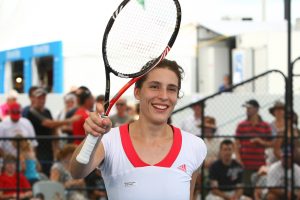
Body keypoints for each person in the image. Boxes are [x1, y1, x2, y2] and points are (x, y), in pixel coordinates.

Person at [70, 59, 207, 200]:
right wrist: (93, 136)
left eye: (172, 89)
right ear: (137, 92)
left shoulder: (194, 146)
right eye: (154, 86)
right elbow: (77, 172)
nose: (164, 96)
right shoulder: (109, 140)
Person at [234, 99, 272, 197]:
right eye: (246, 108)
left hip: (261, 164)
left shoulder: (265, 126)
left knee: (260, 190)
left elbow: (272, 143)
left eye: (249, 108)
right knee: (247, 191)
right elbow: (236, 144)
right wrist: (238, 159)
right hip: (246, 164)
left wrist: (260, 141)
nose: (247, 110)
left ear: (256, 109)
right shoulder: (241, 125)